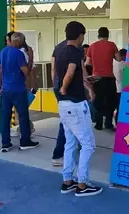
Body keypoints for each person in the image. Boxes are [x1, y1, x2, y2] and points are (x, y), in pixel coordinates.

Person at [56, 21, 102, 197]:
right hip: (75, 104)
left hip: (64, 105)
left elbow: (77, 74)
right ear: (80, 35)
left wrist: (88, 87)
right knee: (88, 145)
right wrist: (65, 88)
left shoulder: (61, 51)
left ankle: (67, 180)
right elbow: (70, 72)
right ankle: (82, 184)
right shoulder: (75, 52)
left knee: (70, 144)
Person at [0, 32, 39, 152]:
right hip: (18, 89)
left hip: (5, 89)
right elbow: (25, 71)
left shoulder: (2, 52)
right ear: (20, 41)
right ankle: (25, 142)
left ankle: (5, 143)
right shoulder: (19, 54)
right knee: (23, 115)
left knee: (5, 117)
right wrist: (30, 59)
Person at [85, 27, 120, 131]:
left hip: (96, 78)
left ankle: (98, 124)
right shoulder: (112, 45)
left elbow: (87, 63)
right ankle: (108, 123)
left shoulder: (92, 46)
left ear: (98, 35)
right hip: (109, 78)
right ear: (108, 35)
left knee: (98, 100)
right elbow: (118, 58)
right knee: (110, 101)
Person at [5, 32, 35, 138]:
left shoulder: (18, 53)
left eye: (8, 41)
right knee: (22, 110)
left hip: (19, 85)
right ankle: (26, 129)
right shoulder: (27, 50)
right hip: (25, 85)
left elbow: (26, 70)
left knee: (19, 112)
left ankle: (26, 130)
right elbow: (31, 69)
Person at [50, 37, 69, 167]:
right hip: (67, 89)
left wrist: (55, 84)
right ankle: (58, 154)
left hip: (57, 86)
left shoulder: (57, 48)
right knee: (67, 120)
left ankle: (70, 148)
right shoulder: (74, 49)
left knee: (66, 119)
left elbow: (52, 69)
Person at [113, 48, 127, 125]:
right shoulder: (122, 64)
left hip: (116, 88)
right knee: (121, 108)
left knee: (118, 108)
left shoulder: (114, 63)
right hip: (122, 89)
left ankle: (117, 123)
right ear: (124, 56)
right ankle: (119, 124)